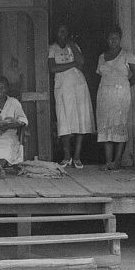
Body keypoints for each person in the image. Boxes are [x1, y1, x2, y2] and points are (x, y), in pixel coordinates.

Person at [48, 24, 95, 168]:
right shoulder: (52, 48)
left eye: (65, 31)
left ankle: (77, 157)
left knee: (80, 120)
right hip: (63, 87)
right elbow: (53, 68)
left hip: (78, 86)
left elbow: (81, 63)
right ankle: (67, 156)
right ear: (56, 32)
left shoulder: (74, 46)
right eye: (60, 31)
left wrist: (72, 45)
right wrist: (73, 63)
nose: (63, 33)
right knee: (64, 120)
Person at [95, 26, 135, 171]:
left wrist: (124, 85)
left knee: (119, 126)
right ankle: (108, 161)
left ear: (120, 39)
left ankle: (117, 161)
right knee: (106, 127)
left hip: (121, 96)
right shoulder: (102, 57)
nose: (113, 41)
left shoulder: (127, 55)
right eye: (110, 38)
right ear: (107, 40)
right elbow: (101, 74)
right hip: (104, 95)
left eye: (116, 38)